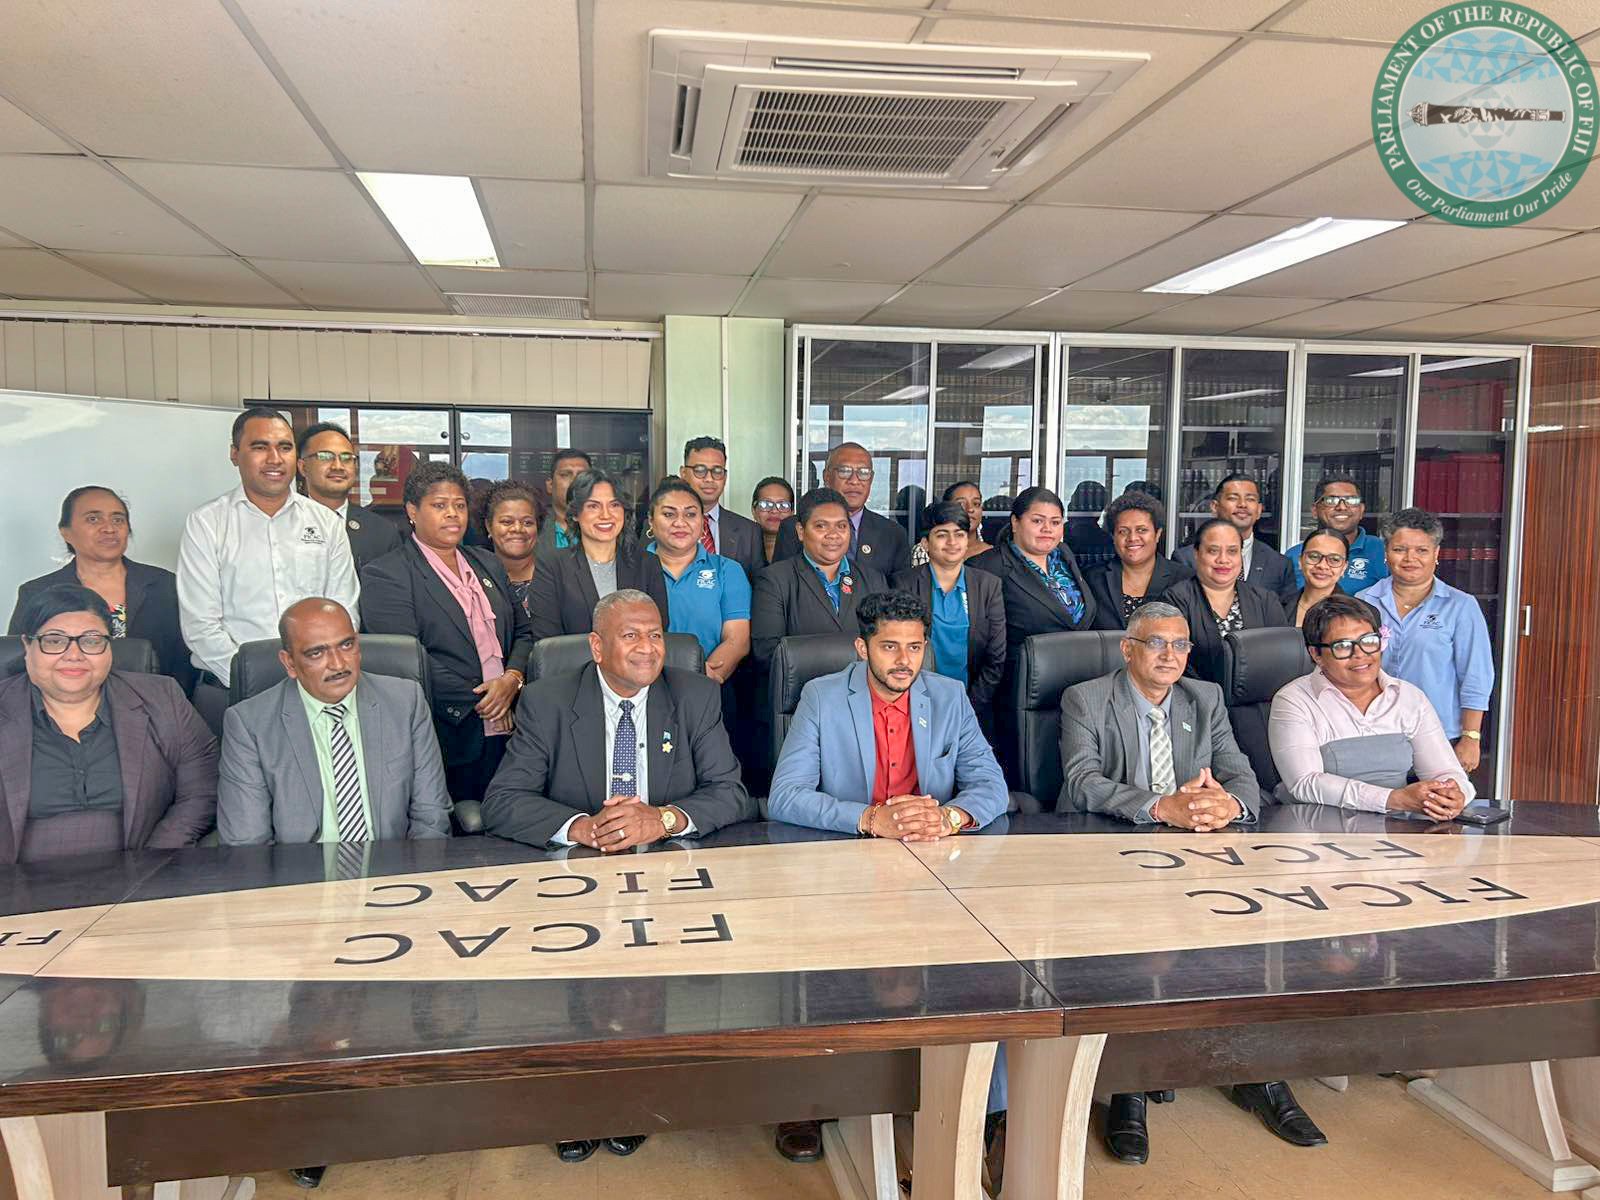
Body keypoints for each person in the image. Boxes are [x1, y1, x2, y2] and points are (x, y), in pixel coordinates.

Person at [1056, 599, 1321, 1163]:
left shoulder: (1205, 698)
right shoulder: (1087, 698)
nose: (1170, 655)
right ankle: (1128, 1090)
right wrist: (1161, 807)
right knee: (1138, 953)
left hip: (1197, 852)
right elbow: (1082, 782)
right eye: (1156, 643)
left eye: (1180, 644)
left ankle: (1259, 1075)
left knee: (1250, 942)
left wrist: (1227, 805)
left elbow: (1241, 774)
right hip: (1107, 852)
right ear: (1128, 649)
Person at [766, 588, 1008, 1167]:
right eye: (890, 647)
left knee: (983, 966)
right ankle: (809, 1099)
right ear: (862, 647)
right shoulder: (823, 696)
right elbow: (785, 796)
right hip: (847, 869)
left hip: (933, 866)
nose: (904, 660)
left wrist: (948, 817)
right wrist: (871, 818)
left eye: (915, 647)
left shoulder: (948, 696)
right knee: (824, 972)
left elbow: (992, 787)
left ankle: (987, 1107)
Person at [0, 585, 216, 863]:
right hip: (16, 883)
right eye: (54, 641)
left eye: (91, 641)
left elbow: (201, 792)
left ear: (110, 645)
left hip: (144, 875)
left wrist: (151, 866)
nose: (74, 654)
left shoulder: (163, 699)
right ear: (27, 646)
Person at [359, 461, 532, 807]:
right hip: (448, 730)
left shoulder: (487, 562)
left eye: (459, 505)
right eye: (439, 505)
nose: (452, 514)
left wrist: (512, 680)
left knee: (508, 817)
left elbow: (524, 633)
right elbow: (406, 662)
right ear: (412, 511)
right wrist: (487, 700)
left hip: (510, 728)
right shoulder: (387, 573)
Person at [177, 407, 359, 732]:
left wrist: (310, 676)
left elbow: (344, 612)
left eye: (285, 447)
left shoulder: (326, 523)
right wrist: (254, 678)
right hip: (231, 691)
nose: (275, 459)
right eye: (260, 447)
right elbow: (201, 626)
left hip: (317, 693)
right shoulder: (207, 523)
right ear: (235, 454)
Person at [218, 597, 452, 845]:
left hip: (395, 864)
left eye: (346, 645)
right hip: (298, 868)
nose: (338, 664)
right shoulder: (249, 724)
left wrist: (414, 869)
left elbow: (431, 817)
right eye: (316, 653)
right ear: (289, 663)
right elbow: (247, 843)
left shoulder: (405, 702)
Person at [1270, 593, 1473, 815]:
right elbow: (1305, 782)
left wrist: (1454, 794)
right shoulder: (1294, 700)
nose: (1360, 654)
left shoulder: (1408, 697)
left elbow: (1446, 771)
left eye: (1368, 641)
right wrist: (1392, 799)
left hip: (1396, 826)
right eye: (1343, 646)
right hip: (1317, 825)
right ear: (1316, 654)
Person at [10, 486, 195, 692]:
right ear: (66, 532)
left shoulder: (165, 585)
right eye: (93, 519)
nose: (109, 528)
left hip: (153, 702)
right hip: (62, 705)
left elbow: (185, 661)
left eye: (118, 519)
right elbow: (18, 666)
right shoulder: (37, 592)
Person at [1357, 509, 1494, 772]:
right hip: (1373, 732)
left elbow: (1476, 677)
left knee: (1436, 798)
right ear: (1386, 552)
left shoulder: (1460, 606)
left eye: (1421, 550)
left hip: (1438, 734)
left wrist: (1471, 737)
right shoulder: (1363, 601)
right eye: (1400, 549)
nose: (1410, 558)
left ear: (1436, 553)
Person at [526, 468, 671, 640]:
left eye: (614, 505)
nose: (606, 515)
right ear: (575, 514)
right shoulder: (552, 565)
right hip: (573, 659)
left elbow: (658, 631)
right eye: (593, 506)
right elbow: (548, 641)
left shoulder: (647, 563)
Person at [751, 487, 888, 667]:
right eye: (821, 526)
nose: (833, 535)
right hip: (801, 684)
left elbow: (886, 641)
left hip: (861, 682)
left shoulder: (873, 580)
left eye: (841, 526)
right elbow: (768, 653)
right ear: (801, 531)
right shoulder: (774, 580)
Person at [968, 487, 1097, 674]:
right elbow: (977, 644)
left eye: (1055, 522)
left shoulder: (1063, 553)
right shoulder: (986, 566)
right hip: (1021, 680)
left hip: (1077, 675)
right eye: (1037, 521)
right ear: (1015, 523)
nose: (1047, 529)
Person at [892, 502, 1005, 711]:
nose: (952, 542)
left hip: (973, 704)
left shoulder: (988, 586)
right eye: (942, 535)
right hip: (915, 702)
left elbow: (996, 657)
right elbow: (898, 651)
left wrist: (969, 706)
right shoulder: (903, 584)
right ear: (925, 543)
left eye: (959, 534)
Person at [645, 479, 751, 683]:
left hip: (707, 683)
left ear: (702, 522)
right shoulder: (633, 569)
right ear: (651, 520)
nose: (680, 523)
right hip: (642, 685)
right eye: (669, 514)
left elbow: (737, 640)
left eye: (690, 514)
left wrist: (700, 679)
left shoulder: (727, 570)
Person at [1160, 518, 1288, 686]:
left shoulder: (1265, 600)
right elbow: (1172, 658)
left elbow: (1280, 657)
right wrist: (1211, 695)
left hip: (1258, 696)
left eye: (1232, 551)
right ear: (1196, 554)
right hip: (1195, 695)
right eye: (1213, 551)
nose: (1223, 559)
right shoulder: (1175, 599)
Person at [774, 443, 910, 574]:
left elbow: (899, 589)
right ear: (826, 476)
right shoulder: (793, 527)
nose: (854, 481)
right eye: (845, 471)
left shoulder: (893, 534)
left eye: (863, 472)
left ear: (871, 479)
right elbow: (781, 580)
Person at [295, 421, 401, 573]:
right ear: (303, 467)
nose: (337, 466)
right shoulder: (284, 524)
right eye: (325, 457)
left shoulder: (382, 531)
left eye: (346, 458)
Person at [1175, 474, 1297, 603]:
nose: (1242, 504)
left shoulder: (1279, 564)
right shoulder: (1186, 558)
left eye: (1250, 499)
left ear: (1259, 510)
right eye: (1233, 498)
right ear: (1214, 507)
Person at [1088, 492, 1192, 631]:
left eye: (1142, 530)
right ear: (1113, 536)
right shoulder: (1092, 579)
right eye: (1123, 531)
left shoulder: (1185, 580)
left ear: (1157, 534)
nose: (1132, 538)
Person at [681, 436, 765, 582]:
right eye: (700, 470)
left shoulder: (749, 532)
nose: (709, 478)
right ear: (683, 473)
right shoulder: (662, 525)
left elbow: (759, 587)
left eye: (717, 471)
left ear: (725, 477)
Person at [1285, 476, 1389, 593]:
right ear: (1314, 510)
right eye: (1331, 501)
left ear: (1361, 510)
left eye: (1351, 500)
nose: (1342, 507)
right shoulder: (1295, 555)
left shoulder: (1382, 550)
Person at [481, 480, 543, 619]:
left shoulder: (555, 577)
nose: (517, 529)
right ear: (488, 526)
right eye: (507, 522)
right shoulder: (474, 579)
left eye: (527, 522)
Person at [1285, 526, 1350, 627]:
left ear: (1344, 567)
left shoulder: (1360, 614)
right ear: (1300, 561)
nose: (1322, 565)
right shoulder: (1277, 607)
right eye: (1314, 556)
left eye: (1334, 559)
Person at [535, 449, 593, 560]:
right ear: (550, 485)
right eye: (565, 475)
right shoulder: (534, 527)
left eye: (582, 475)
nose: (575, 481)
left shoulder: (608, 526)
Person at [1065, 481, 1115, 574]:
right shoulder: (1057, 535)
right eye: (1072, 500)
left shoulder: (1105, 544)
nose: (1070, 506)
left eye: (1076, 502)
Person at [750, 476, 794, 567]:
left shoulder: (804, 551)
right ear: (754, 510)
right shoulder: (740, 548)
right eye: (765, 504)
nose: (774, 511)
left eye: (783, 505)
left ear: (792, 512)